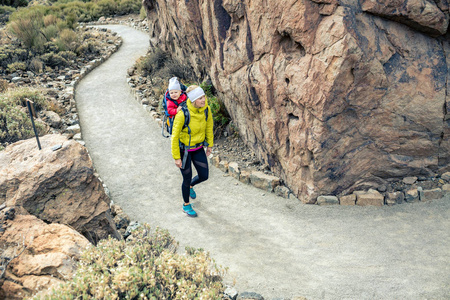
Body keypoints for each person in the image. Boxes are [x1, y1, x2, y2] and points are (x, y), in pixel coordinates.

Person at [171, 85, 214, 217]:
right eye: (200, 98)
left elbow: (209, 126)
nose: (204, 100)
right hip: (184, 151)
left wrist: (210, 145)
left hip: (198, 147)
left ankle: (190, 186)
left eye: (204, 97)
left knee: (204, 175)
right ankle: (186, 205)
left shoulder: (206, 109)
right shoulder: (182, 114)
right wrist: (176, 157)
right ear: (194, 100)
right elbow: (174, 137)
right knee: (186, 178)